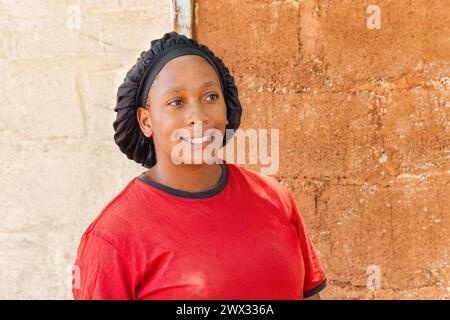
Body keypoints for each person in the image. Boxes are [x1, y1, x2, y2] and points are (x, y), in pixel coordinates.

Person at [72, 31, 327, 300]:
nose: (199, 117)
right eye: (176, 102)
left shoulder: (275, 199)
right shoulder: (113, 238)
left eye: (210, 97)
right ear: (146, 121)